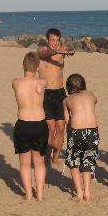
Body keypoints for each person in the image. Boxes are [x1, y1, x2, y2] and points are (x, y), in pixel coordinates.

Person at [12, 52, 49, 201]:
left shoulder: (16, 82)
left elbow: (23, 80)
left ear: (23, 66)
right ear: (38, 67)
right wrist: (40, 67)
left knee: (25, 162)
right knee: (39, 162)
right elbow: (42, 79)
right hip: (39, 124)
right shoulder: (42, 82)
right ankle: (39, 194)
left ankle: (28, 194)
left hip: (23, 123)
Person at [36, 28, 75, 166]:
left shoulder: (61, 51)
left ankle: (55, 157)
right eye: (52, 40)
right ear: (47, 40)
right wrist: (59, 51)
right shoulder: (41, 51)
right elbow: (46, 53)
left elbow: (71, 49)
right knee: (50, 128)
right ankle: (47, 157)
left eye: (57, 40)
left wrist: (68, 50)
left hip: (60, 93)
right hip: (46, 94)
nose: (55, 43)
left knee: (61, 127)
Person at [63, 74, 99, 202]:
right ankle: (87, 192)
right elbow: (95, 101)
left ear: (68, 87)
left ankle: (79, 193)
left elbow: (67, 121)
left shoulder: (67, 99)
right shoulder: (91, 95)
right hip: (92, 131)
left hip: (76, 131)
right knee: (88, 161)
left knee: (74, 162)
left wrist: (69, 134)